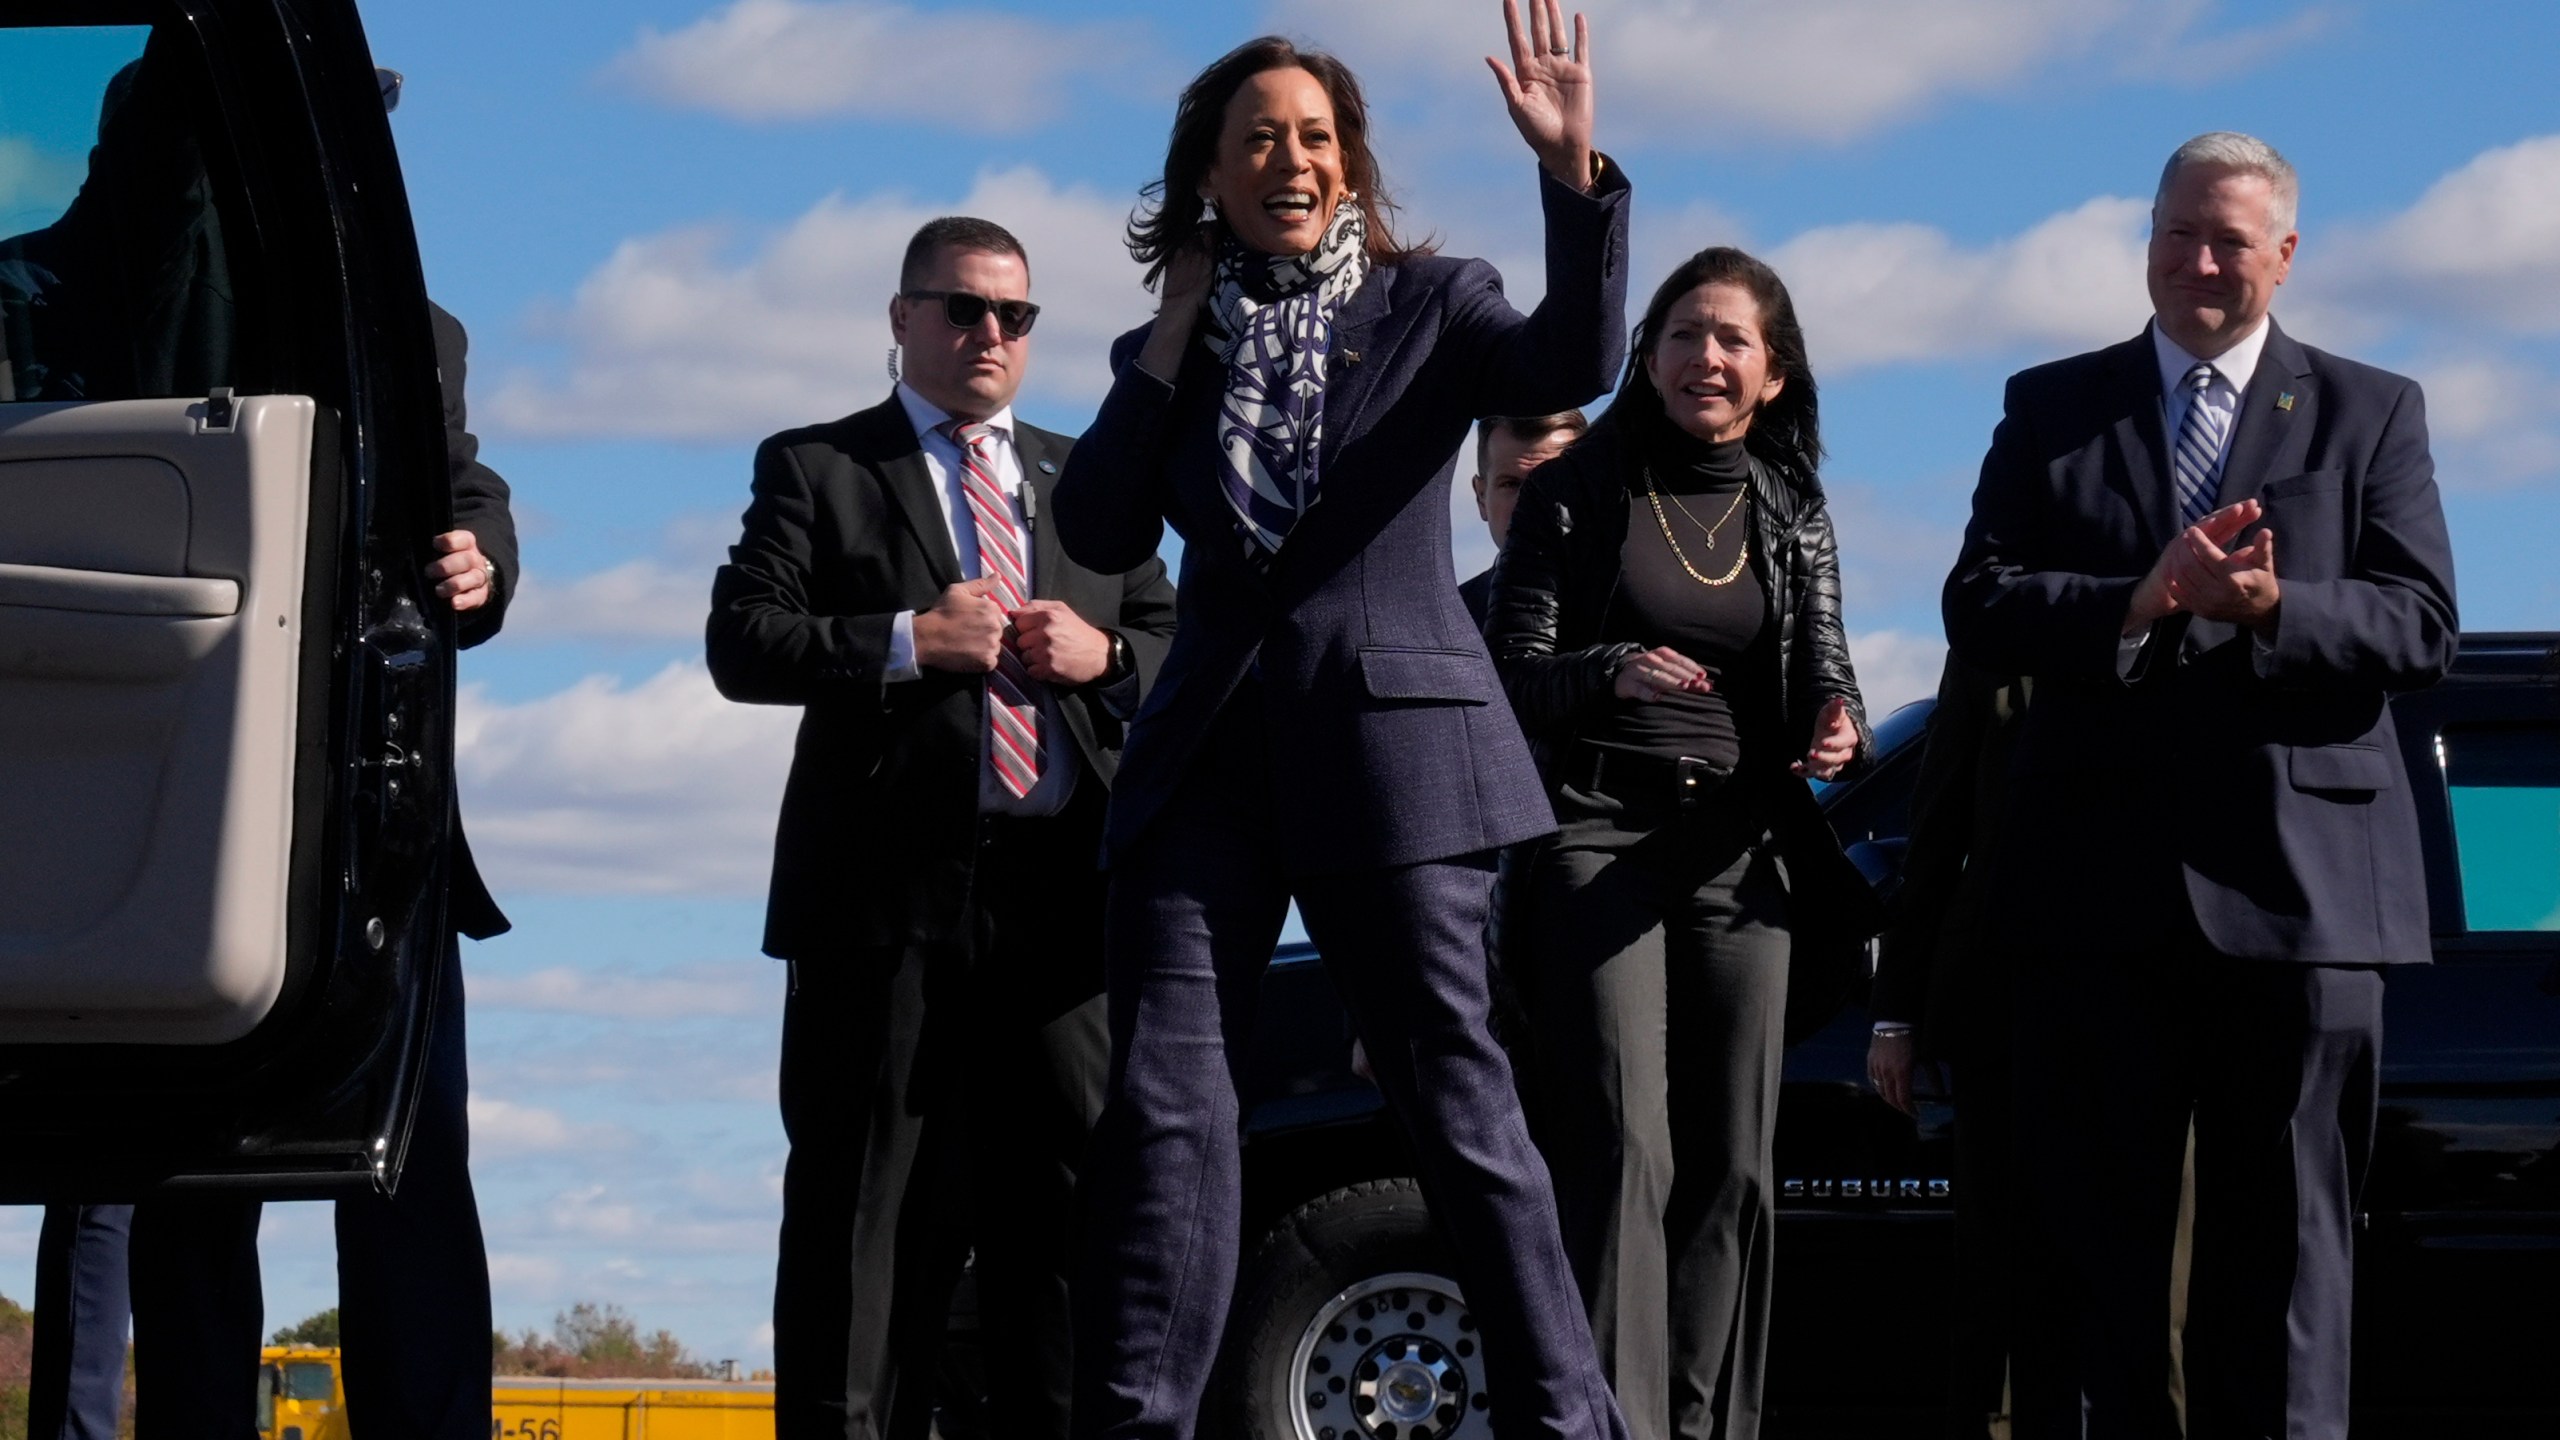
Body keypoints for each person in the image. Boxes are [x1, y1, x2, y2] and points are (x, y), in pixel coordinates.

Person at [1052, 3, 1634, 1435]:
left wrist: (1574, 178)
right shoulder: (1163, 344)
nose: (1292, 158)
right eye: (1260, 138)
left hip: (1393, 755)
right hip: (1205, 770)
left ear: (1353, 166)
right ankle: (1140, 1421)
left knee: (1459, 1108)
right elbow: (1099, 517)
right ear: (1211, 176)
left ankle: (1568, 1420)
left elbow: (1570, 358)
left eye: (1317, 136)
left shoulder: (1434, 303)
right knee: (1169, 1117)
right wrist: (1176, 328)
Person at [1943, 131, 2458, 1440]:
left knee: (2285, 1267)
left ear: (2286, 254)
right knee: (2113, 1270)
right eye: (2180, 232)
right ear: (2148, 239)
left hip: (2306, 909)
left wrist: (2278, 604)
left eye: (2231, 239)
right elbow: (1979, 605)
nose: (2202, 261)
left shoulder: (2370, 408)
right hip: (2100, 912)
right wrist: (2140, 597)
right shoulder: (2052, 406)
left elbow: (2420, 625)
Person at [707, 216, 1176, 1440]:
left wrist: (1108, 652)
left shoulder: (1094, 478)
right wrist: (913, 642)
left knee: (1067, 1217)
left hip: (1061, 908)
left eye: (1013, 317)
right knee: (863, 1216)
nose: (988, 335)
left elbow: (1185, 644)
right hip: (881, 907)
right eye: (962, 309)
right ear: (902, 318)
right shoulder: (818, 467)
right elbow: (742, 642)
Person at [1485, 245, 1881, 1440]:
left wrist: (1834, 719)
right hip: (1598, 833)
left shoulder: (1789, 499)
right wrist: (1611, 669)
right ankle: (1616, 1424)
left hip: (1738, 847)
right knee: (1624, 1153)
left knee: (1732, 1164)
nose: (1705, 357)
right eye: (1682, 334)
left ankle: (1711, 1426)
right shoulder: (1577, 486)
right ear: (1646, 355)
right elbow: (1511, 676)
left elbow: (1825, 661)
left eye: (1732, 341)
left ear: (1770, 374)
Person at [123, 294, 515, 1440]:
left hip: (369, 808)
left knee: (416, 1153)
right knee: (190, 1169)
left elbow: (463, 482)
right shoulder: (126, 291)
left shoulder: (421, 324)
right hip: (181, 780)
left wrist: (480, 554)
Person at [1864, 657, 2075, 1439]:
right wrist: (1894, 1015)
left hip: (2152, 1005)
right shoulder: (2000, 643)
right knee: (1999, 1284)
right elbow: (1935, 825)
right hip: (2000, 1012)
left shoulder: (2188, 629)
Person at [1462, 409, 1586, 625]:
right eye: (1510, 484)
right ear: (1481, 497)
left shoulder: (1644, 609)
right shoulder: (1446, 625)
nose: (1529, 502)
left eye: (1550, 481)